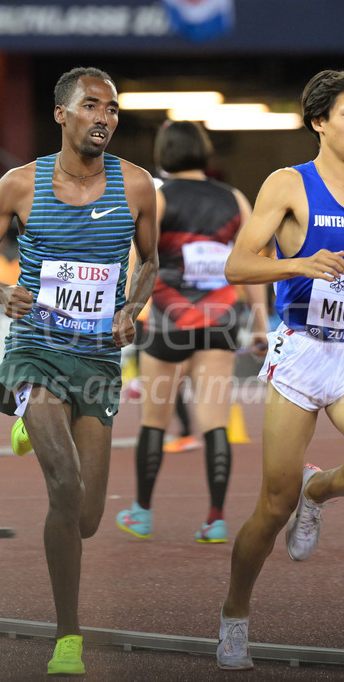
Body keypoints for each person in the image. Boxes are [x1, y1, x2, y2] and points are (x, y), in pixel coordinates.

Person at [0, 67, 159, 676]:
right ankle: (67, 634)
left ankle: (31, 425)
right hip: (35, 351)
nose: (105, 118)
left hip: (96, 359)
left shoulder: (138, 186)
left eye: (113, 109)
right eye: (91, 106)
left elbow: (150, 263)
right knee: (64, 487)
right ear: (61, 115)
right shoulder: (20, 186)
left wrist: (131, 306)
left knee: (88, 519)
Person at [216, 69, 344, 670]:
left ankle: (320, 487)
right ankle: (234, 615)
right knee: (271, 508)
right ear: (319, 122)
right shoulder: (288, 186)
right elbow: (237, 266)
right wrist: (299, 264)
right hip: (304, 353)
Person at [116, 120, 267, 545]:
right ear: (205, 152)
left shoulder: (158, 197)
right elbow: (253, 266)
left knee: (154, 421)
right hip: (220, 321)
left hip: (167, 321)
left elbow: (139, 259)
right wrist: (260, 325)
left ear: (164, 154)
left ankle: (142, 514)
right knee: (215, 421)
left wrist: (128, 311)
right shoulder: (235, 199)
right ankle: (216, 519)